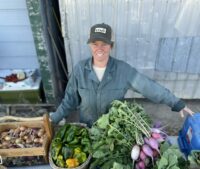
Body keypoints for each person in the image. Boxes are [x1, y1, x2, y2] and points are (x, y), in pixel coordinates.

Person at [50, 23, 194, 127]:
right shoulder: (80, 70)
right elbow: (69, 100)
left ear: (111, 46)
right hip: (88, 130)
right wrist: (54, 119)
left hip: (113, 131)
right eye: (95, 43)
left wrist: (175, 103)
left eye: (104, 44)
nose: (99, 48)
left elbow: (149, 87)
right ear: (90, 45)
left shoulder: (123, 70)